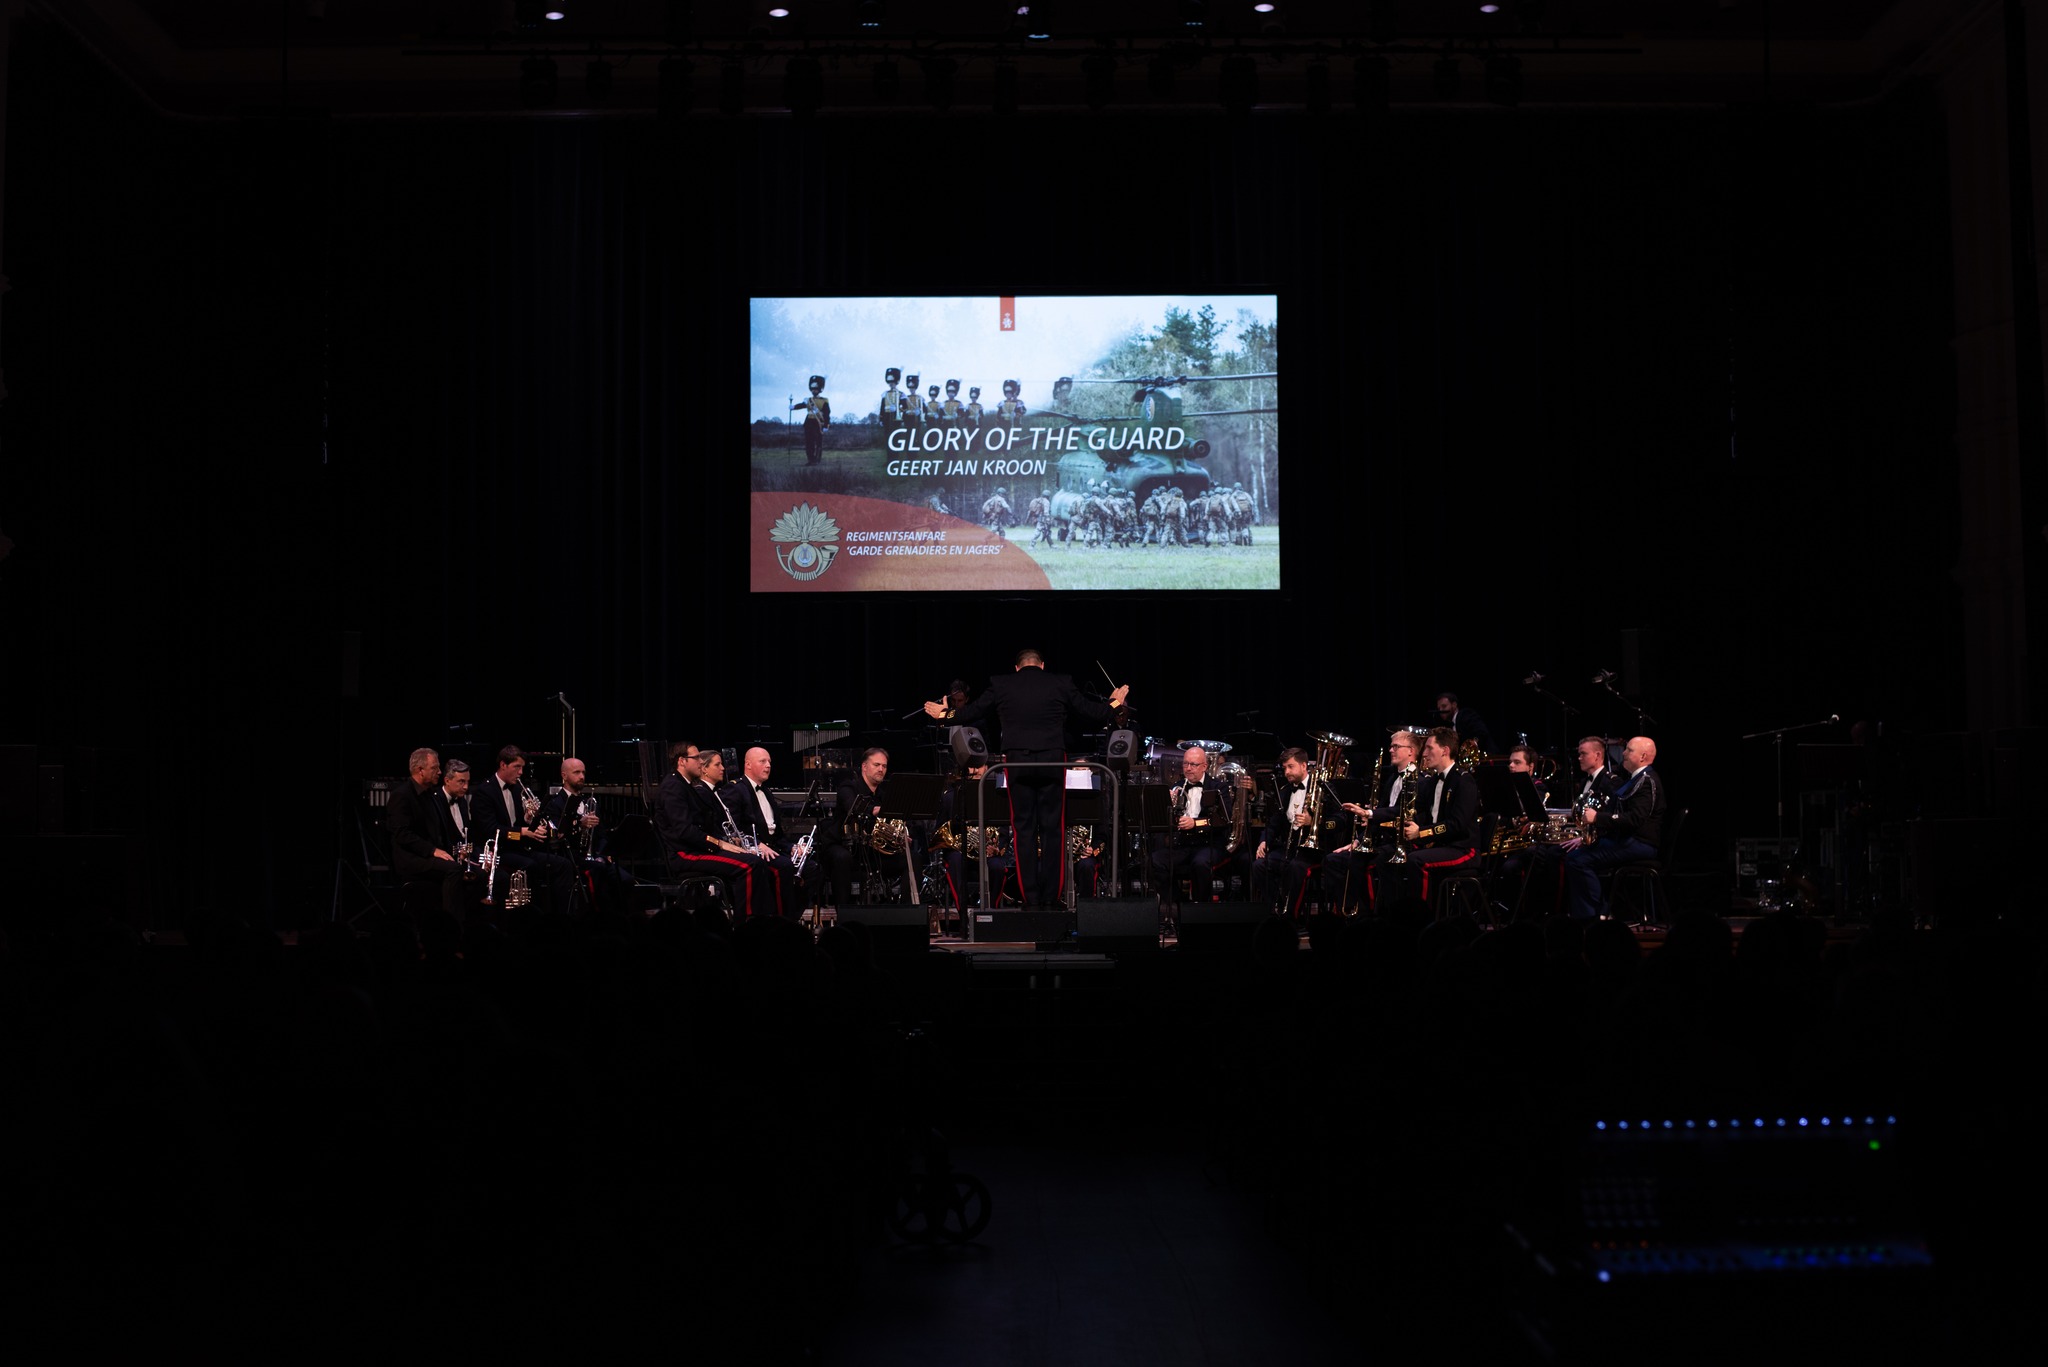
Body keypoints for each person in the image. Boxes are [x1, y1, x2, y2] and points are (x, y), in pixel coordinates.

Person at [923, 650, 1127, 909]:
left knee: (1023, 831)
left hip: (1017, 762)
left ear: (1017, 668)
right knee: (1053, 830)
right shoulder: (1060, 681)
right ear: (1042, 665)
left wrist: (944, 715)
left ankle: (1030, 899)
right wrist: (1114, 703)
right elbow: (1093, 712)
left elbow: (971, 712)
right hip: (1053, 762)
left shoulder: (1001, 683)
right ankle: (1050, 899)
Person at [652, 741, 770, 918]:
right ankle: (746, 924)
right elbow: (685, 832)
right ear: (682, 761)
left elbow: (702, 824)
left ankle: (760, 918)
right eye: (696, 757)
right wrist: (719, 844)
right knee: (750, 865)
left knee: (754, 860)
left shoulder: (685, 785)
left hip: (695, 850)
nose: (700, 761)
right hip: (684, 854)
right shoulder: (673, 787)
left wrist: (726, 840)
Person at [1563, 736, 1666, 920]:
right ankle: (1598, 912)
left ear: (1642, 756)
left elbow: (1635, 819)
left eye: (1629, 750)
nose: (1624, 753)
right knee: (1576, 855)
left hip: (1639, 844)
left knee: (1578, 860)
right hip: (1629, 841)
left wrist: (1597, 818)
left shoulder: (1646, 781)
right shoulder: (1636, 779)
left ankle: (1594, 916)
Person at [471, 744, 576, 915]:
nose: (520, 772)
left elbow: (519, 821)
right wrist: (523, 831)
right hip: (498, 850)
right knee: (531, 865)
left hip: (519, 848)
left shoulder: (518, 788)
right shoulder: (484, 792)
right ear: (503, 765)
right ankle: (529, 915)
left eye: (522, 768)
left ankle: (561, 917)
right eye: (517, 767)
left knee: (563, 864)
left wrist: (530, 820)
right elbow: (491, 830)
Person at [1326, 730, 1421, 913]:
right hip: (1383, 842)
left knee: (1367, 861)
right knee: (1333, 860)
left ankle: (1369, 915)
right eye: (1390, 746)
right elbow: (1380, 815)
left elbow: (1400, 812)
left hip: (1403, 844)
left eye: (1396, 746)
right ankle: (1349, 912)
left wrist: (1369, 813)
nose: (1391, 750)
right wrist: (1357, 841)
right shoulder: (1393, 779)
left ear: (1410, 751)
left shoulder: (1420, 781)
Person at [1389, 727, 1482, 905]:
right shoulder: (1433, 781)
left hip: (1463, 849)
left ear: (1445, 751)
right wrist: (1376, 816)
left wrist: (1421, 833)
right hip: (1440, 845)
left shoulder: (1464, 780)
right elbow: (1415, 811)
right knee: (1388, 855)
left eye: (1429, 748)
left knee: (1416, 861)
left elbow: (1457, 825)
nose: (1424, 754)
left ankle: (1423, 917)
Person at [723, 746, 807, 916]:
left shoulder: (767, 791)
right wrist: (757, 844)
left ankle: (792, 915)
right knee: (784, 867)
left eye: (769, 761)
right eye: (762, 761)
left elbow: (777, 834)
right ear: (748, 764)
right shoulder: (736, 789)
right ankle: (781, 921)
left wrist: (791, 847)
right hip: (755, 851)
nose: (768, 765)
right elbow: (733, 827)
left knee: (812, 869)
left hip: (774, 848)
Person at [387, 747, 466, 924]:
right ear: (420, 770)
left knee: (472, 872)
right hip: (411, 859)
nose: (439, 772)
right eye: (434, 768)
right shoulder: (401, 795)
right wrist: (432, 850)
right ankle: (450, 926)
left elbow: (440, 830)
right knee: (454, 870)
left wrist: (455, 852)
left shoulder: (431, 795)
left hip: (429, 855)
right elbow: (402, 835)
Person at [1252, 747, 1332, 917]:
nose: (1286, 772)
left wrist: (1314, 822)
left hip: (1312, 850)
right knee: (1259, 865)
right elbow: (1273, 823)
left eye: (1290, 767)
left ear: (1304, 766)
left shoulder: (1322, 787)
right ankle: (1277, 908)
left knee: (1295, 868)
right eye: (1284, 768)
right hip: (1289, 846)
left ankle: (1291, 916)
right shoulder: (1285, 791)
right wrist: (1264, 840)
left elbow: (1339, 820)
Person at [1149, 746, 1232, 911]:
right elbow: (1168, 822)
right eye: (1185, 764)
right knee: (1154, 861)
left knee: (1200, 864)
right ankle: (1181, 906)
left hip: (1209, 843)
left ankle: (1200, 910)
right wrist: (1169, 807)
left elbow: (1222, 820)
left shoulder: (1218, 787)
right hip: (1183, 844)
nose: (1188, 768)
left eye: (1193, 764)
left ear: (1204, 766)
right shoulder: (1178, 786)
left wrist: (1195, 823)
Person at [937, 758, 1016, 914]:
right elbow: (939, 830)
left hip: (987, 853)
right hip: (959, 852)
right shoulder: (950, 797)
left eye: (979, 766)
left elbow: (1003, 829)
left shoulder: (996, 794)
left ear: (986, 767)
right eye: (971, 766)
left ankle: (991, 912)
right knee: (956, 862)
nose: (976, 770)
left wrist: (998, 848)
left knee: (997, 867)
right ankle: (962, 914)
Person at [820, 746, 890, 910]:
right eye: (877, 765)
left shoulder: (883, 794)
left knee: (911, 857)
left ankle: (906, 918)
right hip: (841, 845)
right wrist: (879, 810)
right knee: (842, 858)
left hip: (869, 849)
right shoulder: (848, 787)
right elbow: (854, 808)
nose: (881, 769)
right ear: (864, 767)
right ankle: (844, 916)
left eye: (884, 766)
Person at [1433, 692, 1497, 759]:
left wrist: (1471, 746)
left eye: (1444, 706)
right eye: (1439, 708)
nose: (1441, 710)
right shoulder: (1449, 725)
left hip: (1486, 758)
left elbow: (1481, 732)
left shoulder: (1465, 715)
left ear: (1454, 705)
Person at [791, 374, 830, 465]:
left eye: (816, 389)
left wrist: (826, 425)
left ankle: (817, 460)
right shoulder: (808, 400)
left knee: (818, 443)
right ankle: (810, 460)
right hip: (809, 423)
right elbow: (802, 405)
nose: (814, 391)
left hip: (818, 424)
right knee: (809, 443)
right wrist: (793, 407)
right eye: (812, 389)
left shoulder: (824, 400)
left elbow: (827, 413)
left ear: (820, 389)